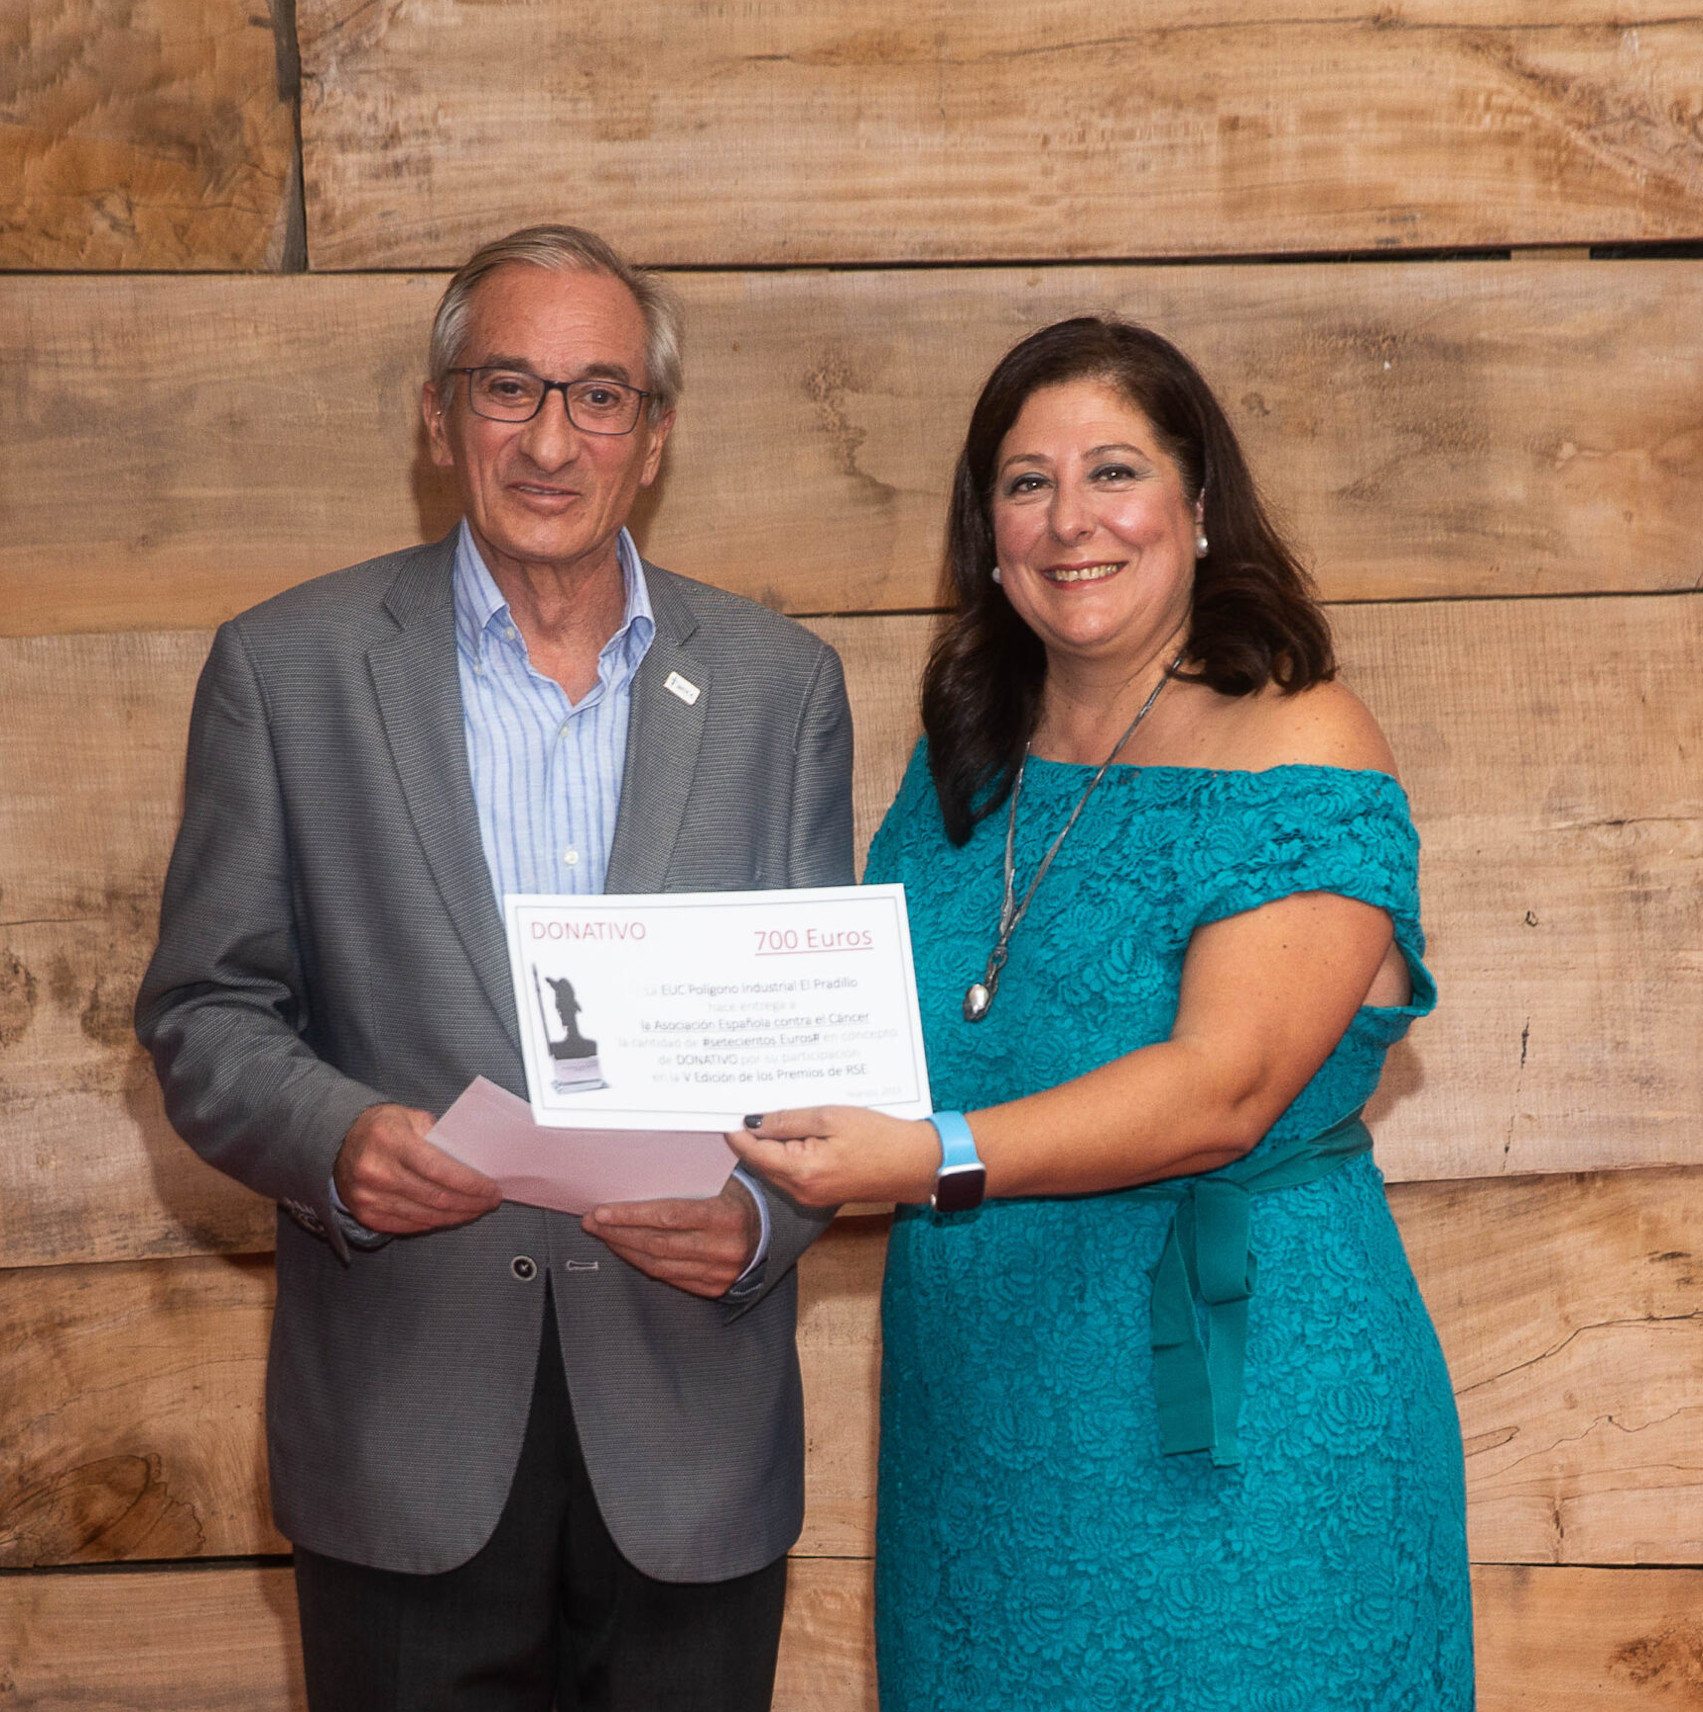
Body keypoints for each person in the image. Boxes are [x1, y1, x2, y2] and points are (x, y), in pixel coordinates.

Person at [135, 225, 854, 1712]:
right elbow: (207, 1011)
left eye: (598, 396)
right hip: (406, 1436)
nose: (549, 439)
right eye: (508, 386)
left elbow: (821, 1040)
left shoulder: (780, 688)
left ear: (653, 436)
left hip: (689, 1434)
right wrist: (337, 1141)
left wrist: (761, 1221)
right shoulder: (287, 669)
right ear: (438, 413)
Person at [731, 317, 1473, 1708]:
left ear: (1199, 508)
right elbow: (863, 1034)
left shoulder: (1301, 744)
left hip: (1240, 1424)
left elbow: (1221, 1090)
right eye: (1028, 483)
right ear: (987, 533)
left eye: (1114, 472)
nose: (1070, 520)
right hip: (982, 1419)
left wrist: (923, 1157)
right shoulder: (959, 766)